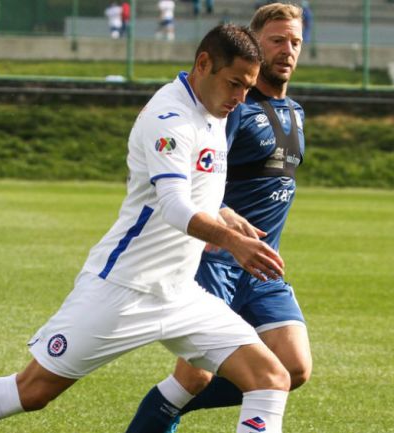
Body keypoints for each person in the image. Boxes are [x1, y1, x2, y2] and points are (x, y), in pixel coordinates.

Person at [0, 23, 294, 433]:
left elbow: (191, 186)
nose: (241, 98)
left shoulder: (215, 108)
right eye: (235, 84)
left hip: (180, 292)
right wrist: (232, 241)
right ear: (203, 64)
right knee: (34, 390)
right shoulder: (170, 117)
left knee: (270, 379)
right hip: (123, 288)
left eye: (248, 87)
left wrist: (221, 213)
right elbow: (172, 206)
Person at [125, 4, 309, 433]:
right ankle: (163, 411)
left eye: (295, 42)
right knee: (194, 378)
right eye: (276, 40)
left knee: (295, 369)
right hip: (218, 261)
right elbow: (196, 177)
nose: (287, 50)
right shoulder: (232, 110)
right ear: (255, 45)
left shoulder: (296, 112)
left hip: (264, 268)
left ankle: (173, 408)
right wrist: (223, 221)